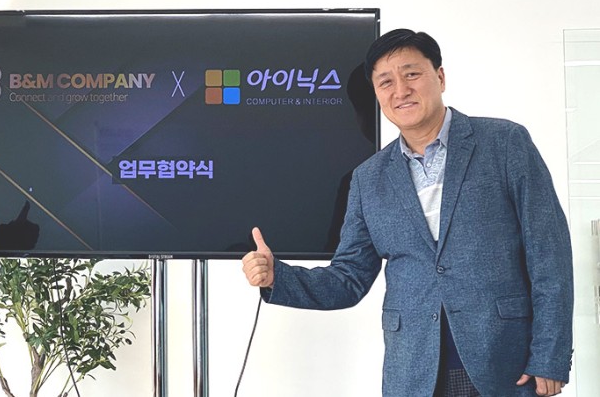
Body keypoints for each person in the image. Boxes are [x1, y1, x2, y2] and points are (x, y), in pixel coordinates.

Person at [242, 29, 573, 397]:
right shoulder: (368, 179)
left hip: (505, 366)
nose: (400, 90)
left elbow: (549, 254)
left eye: (412, 74)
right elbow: (349, 277)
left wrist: (551, 355)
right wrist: (277, 277)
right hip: (413, 373)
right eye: (386, 82)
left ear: (440, 77)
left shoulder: (505, 142)